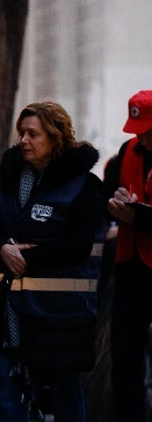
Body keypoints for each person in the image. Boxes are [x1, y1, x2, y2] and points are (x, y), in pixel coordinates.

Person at [0, 101, 102, 422]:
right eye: (21, 134)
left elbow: (79, 244)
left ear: (56, 137)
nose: (24, 141)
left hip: (59, 316)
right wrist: (4, 247)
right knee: (8, 397)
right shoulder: (10, 182)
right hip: (8, 309)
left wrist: (27, 255)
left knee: (64, 399)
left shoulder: (85, 186)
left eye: (33, 134)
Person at [106, 90, 152, 422]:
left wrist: (140, 217)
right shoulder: (127, 151)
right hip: (129, 265)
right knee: (124, 356)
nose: (142, 137)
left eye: (147, 131)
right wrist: (114, 201)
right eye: (138, 129)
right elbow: (107, 190)